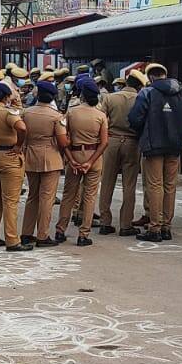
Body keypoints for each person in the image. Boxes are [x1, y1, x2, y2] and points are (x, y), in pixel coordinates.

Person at [128, 63, 182, 242]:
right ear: (165, 75)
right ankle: (166, 227)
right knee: (170, 186)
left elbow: (134, 118)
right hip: (175, 146)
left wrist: (145, 130)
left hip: (153, 146)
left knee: (155, 186)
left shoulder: (147, 93)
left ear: (150, 77)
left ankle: (155, 228)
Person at [54, 76, 108, 247]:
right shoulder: (101, 116)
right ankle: (83, 234)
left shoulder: (71, 112)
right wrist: (90, 161)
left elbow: (63, 139)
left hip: (74, 155)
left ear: (82, 94)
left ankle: (60, 230)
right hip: (94, 156)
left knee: (69, 195)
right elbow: (104, 142)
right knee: (90, 196)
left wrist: (71, 159)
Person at [0, 81, 31, 252]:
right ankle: (12, 239)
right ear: (6, 97)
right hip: (9, 156)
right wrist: (18, 146)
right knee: (10, 201)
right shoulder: (8, 113)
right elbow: (22, 128)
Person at [98, 69, 146, 235]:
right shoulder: (141, 99)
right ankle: (126, 224)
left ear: (125, 83)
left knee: (107, 181)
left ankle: (105, 222)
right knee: (129, 185)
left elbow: (101, 120)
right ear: (139, 86)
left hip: (111, 141)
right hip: (132, 142)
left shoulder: (110, 98)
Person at [21, 78, 68, 245]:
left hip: (31, 155)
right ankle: (43, 235)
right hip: (50, 157)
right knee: (47, 198)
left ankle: (26, 233)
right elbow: (62, 142)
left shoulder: (26, 113)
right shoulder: (56, 116)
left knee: (32, 196)